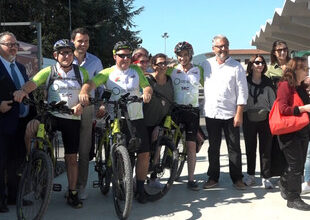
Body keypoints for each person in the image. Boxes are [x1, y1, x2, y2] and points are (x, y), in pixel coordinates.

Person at [14, 39, 89, 209]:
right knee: (30, 129)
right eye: (62, 52)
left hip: (72, 118)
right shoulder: (49, 71)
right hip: (52, 114)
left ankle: (72, 193)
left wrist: (81, 105)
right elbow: (32, 84)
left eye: (69, 52)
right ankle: (31, 160)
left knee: (72, 158)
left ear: (73, 54)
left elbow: (86, 93)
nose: (66, 55)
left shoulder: (81, 72)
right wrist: (22, 91)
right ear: (55, 55)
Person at [79, 41, 153, 203]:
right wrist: (84, 92)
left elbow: (146, 86)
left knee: (144, 153)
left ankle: (140, 188)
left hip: (135, 116)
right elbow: (90, 84)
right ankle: (121, 183)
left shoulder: (136, 71)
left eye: (128, 55)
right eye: (121, 55)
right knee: (122, 154)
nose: (125, 58)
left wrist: (147, 93)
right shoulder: (107, 72)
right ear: (114, 56)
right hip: (116, 118)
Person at [201, 35, 248, 190]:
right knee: (213, 148)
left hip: (231, 114)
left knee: (234, 148)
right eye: (219, 46)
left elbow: (242, 91)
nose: (222, 49)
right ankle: (213, 177)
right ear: (213, 48)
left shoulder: (237, 66)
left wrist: (239, 112)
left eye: (225, 45)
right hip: (212, 113)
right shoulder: (205, 65)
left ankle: (237, 179)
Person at [0, 31, 36, 212]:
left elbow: (28, 91)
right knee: (2, 162)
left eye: (15, 44)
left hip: (21, 123)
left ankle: (14, 197)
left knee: (16, 162)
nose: (14, 47)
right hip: (3, 123)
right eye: (9, 44)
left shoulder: (21, 67)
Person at [166, 41, 203, 191]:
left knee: (191, 145)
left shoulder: (198, 70)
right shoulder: (171, 70)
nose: (183, 58)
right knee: (166, 136)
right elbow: (156, 75)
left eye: (185, 55)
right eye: (180, 55)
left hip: (192, 110)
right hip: (175, 109)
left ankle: (191, 178)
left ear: (190, 55)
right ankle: (165, 161)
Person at [71, 27, 103, 200]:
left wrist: (102, 104)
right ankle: (70, 185)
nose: (83, 44)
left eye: (86, 41)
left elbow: (101, 85)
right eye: (80, 41)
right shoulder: (65, 57)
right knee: (69, 149)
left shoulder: (95, 61)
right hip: (66, 107)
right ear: (73, 41)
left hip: (88, 107)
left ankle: (81, 185)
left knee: (84, 149)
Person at [276, 57, 310, 211]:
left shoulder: (301, 87)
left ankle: (284, 181)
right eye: (305, 69)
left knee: (298, 164)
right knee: (296, 166)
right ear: (296, 69)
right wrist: (302, 109)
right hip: (289, 132)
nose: (307, 72)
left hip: (302, 131)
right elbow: (283, 109)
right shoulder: (285, 86)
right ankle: (293, 198)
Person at [242, 55, 276, 188]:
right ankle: (250, 175)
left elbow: (273, 103)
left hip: (265, 118)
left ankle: (266, 177)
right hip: (248, 117)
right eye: (256, 62)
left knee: (265, 148)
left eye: (262, 62)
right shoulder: (244, 81)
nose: (259, 65)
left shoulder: (268, 82)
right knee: (250, 148)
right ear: (251, 65)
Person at [143, 53, 174, 188]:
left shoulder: (169, 80)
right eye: (159, 63)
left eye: (164, 63)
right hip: (144, 121)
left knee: (158, 147)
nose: (162, 66)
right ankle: (140, 178)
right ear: (153, 65)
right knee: (144, 152)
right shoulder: (148, 80)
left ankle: (154, 177)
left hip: (160, 120)